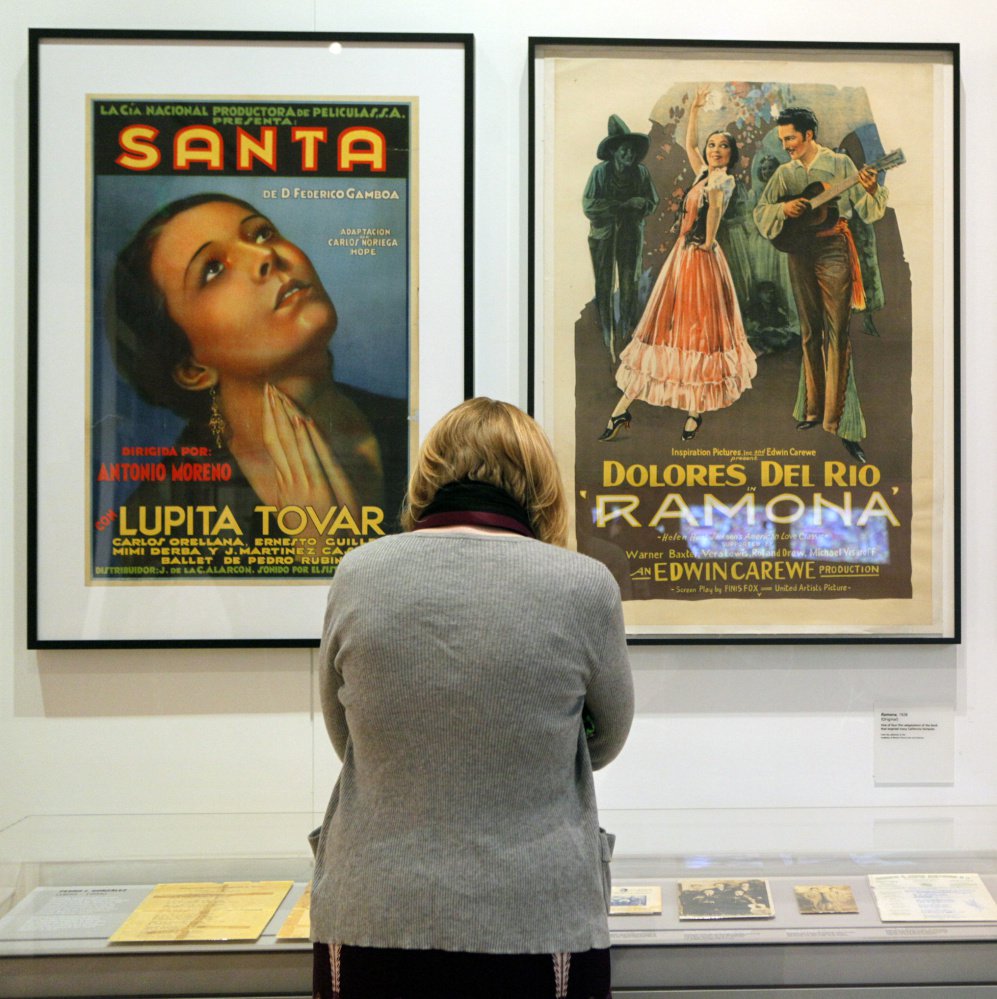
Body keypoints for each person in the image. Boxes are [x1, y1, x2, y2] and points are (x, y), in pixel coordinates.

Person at [311, 397, 635, 999]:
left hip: (372, 912)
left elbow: (346, 734)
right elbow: (607, 737)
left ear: (429, 474)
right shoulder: (584, 585)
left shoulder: (359, 573)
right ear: (541, 482)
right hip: (535, 919)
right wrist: (540, 737)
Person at [102, 193, 407, 569]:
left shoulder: (421, 436)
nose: (266, 256)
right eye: (213, 269)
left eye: (262, 234)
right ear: (193, 369)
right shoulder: (159, 521)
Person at [600, 84, 757, 443]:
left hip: (701, 260)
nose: (716, 150)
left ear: (732, 155)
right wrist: (697, 110)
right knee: (667, 328)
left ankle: (694, 411)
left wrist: (709, 242)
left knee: (699, 332)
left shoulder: (722, 179)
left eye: (723, 147)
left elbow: (715, 211)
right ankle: (623, 409)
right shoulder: (703, 172)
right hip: (682, 259)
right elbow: (690, 146)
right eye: (713, 145)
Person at [753, 107, 889, 465]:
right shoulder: (785, 174)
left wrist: (871, 188)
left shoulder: (840, 164)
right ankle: (812, 410)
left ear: (809, 135)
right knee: (810, 332)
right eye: (783, 140)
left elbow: (869, 210)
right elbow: (762, 211)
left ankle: (836, 418)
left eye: (791, 139)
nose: (786, 147)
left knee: (837, 333)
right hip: (799, 251)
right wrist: (785, 211)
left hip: (833, 249)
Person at [583, 115, 660, 362]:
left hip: (630, 235)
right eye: (624, 150)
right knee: (604, 286)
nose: (629, 155)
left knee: (630, 284)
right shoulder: (600, 173)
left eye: (632, 151)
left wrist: (641, 204)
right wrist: (623, 205)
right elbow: (590, 206)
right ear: (614, 151)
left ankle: (627, 340)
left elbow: (652, 202)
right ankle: (606, 341)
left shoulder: (641, 173)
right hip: (603, 237)